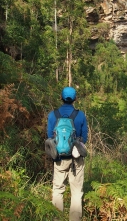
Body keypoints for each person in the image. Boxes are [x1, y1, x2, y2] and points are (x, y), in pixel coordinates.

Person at [47, 87, 88, 221]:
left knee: (58, 190)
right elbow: (84, 138)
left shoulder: (53, 115)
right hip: (77, 158)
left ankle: (57, 218)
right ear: (75, 99)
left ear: (61, 97)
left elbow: (49, 137)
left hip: (59, 158)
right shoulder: (80, 115)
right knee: (76, 192)